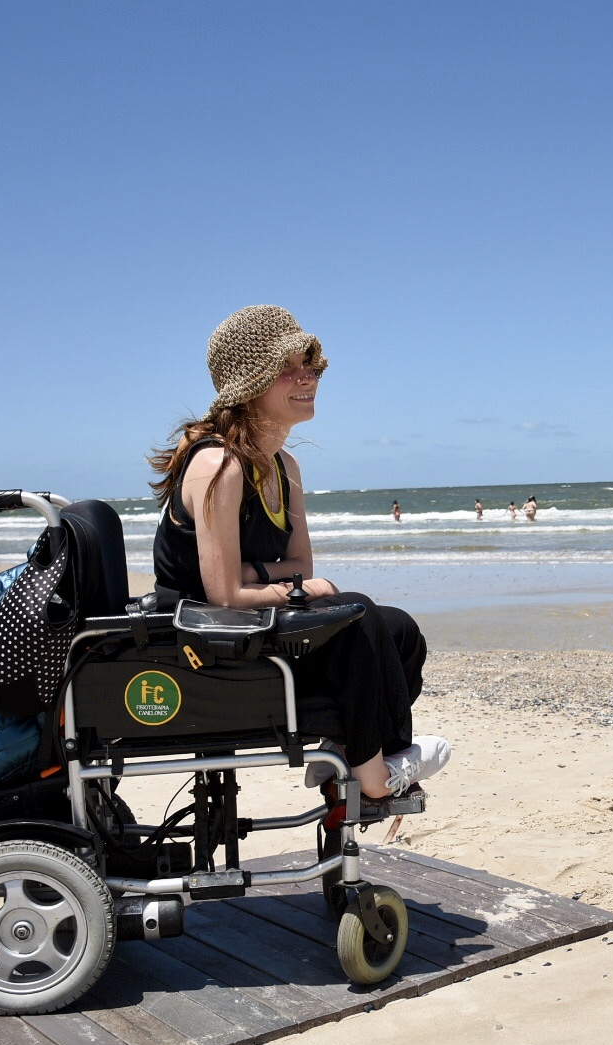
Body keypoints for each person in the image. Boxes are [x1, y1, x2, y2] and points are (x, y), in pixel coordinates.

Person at [149, 305, 448, 802]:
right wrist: (287, 584)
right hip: (205, 644)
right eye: (288, 367)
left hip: (251, 625)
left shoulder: (284, 466)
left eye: (309, 363)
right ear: (250, 382)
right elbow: (223, 594)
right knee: (360, 618)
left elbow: (298, 568)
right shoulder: (219, 464)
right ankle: (374, 775)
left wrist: (271, 578)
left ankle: (349, 750)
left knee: (401, 631)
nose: (307, 376)